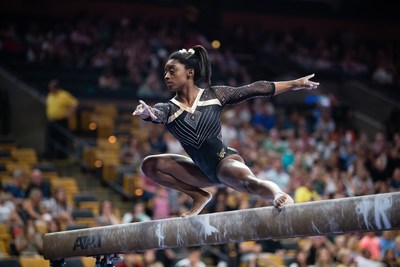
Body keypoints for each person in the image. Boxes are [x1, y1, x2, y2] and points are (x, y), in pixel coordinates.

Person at [132, 45, 319, 217]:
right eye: (165, 72)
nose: (166, 76)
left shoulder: (214, 95)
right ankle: (198, 196)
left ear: (190, 72)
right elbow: (157, 114)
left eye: (172, 71)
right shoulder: (168, 108)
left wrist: (294, 84)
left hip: (224, 161)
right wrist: (148, 114)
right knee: (149, 165)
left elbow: (254, 89)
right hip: (200, 172)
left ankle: (278, 194)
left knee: (249, 182)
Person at [44, 78, 78, 159]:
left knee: (62, 139)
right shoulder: (50, 95)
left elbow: (75, 103)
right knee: (50, 139)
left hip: (61, 121)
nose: (50, 88)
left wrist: (70, 113)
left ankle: (62, 157)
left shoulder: (64, 95)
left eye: (51, 87)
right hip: (51, 121)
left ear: (56, 87)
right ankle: (50, 156)